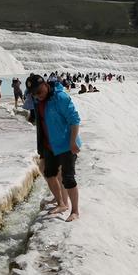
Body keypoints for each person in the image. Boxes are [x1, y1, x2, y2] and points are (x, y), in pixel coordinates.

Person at [26, 74, 82, 222]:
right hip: (49, 145)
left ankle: (75, 211)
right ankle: (61, 204)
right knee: (49, 174)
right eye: (34, 94)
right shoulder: (39, 101)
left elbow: (75, 119)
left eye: (39, 91)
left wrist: (73, 142)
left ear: (45, 84)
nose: (38, 95)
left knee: (68, 178)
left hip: (65, 144)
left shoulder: (60, 97)